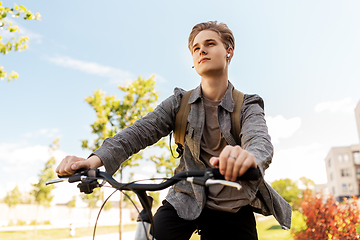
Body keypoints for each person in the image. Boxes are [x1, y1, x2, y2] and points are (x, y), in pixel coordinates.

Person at [56, 21, 291, 240]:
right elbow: (138, 132)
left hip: (233, 204)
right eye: (196, 48)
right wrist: (94, 161)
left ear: (229, 51)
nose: (202, 51)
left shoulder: (247, 104)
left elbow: (259, 141)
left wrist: (248, 159)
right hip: (185, 198)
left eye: (210, 44)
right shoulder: (179, 103)